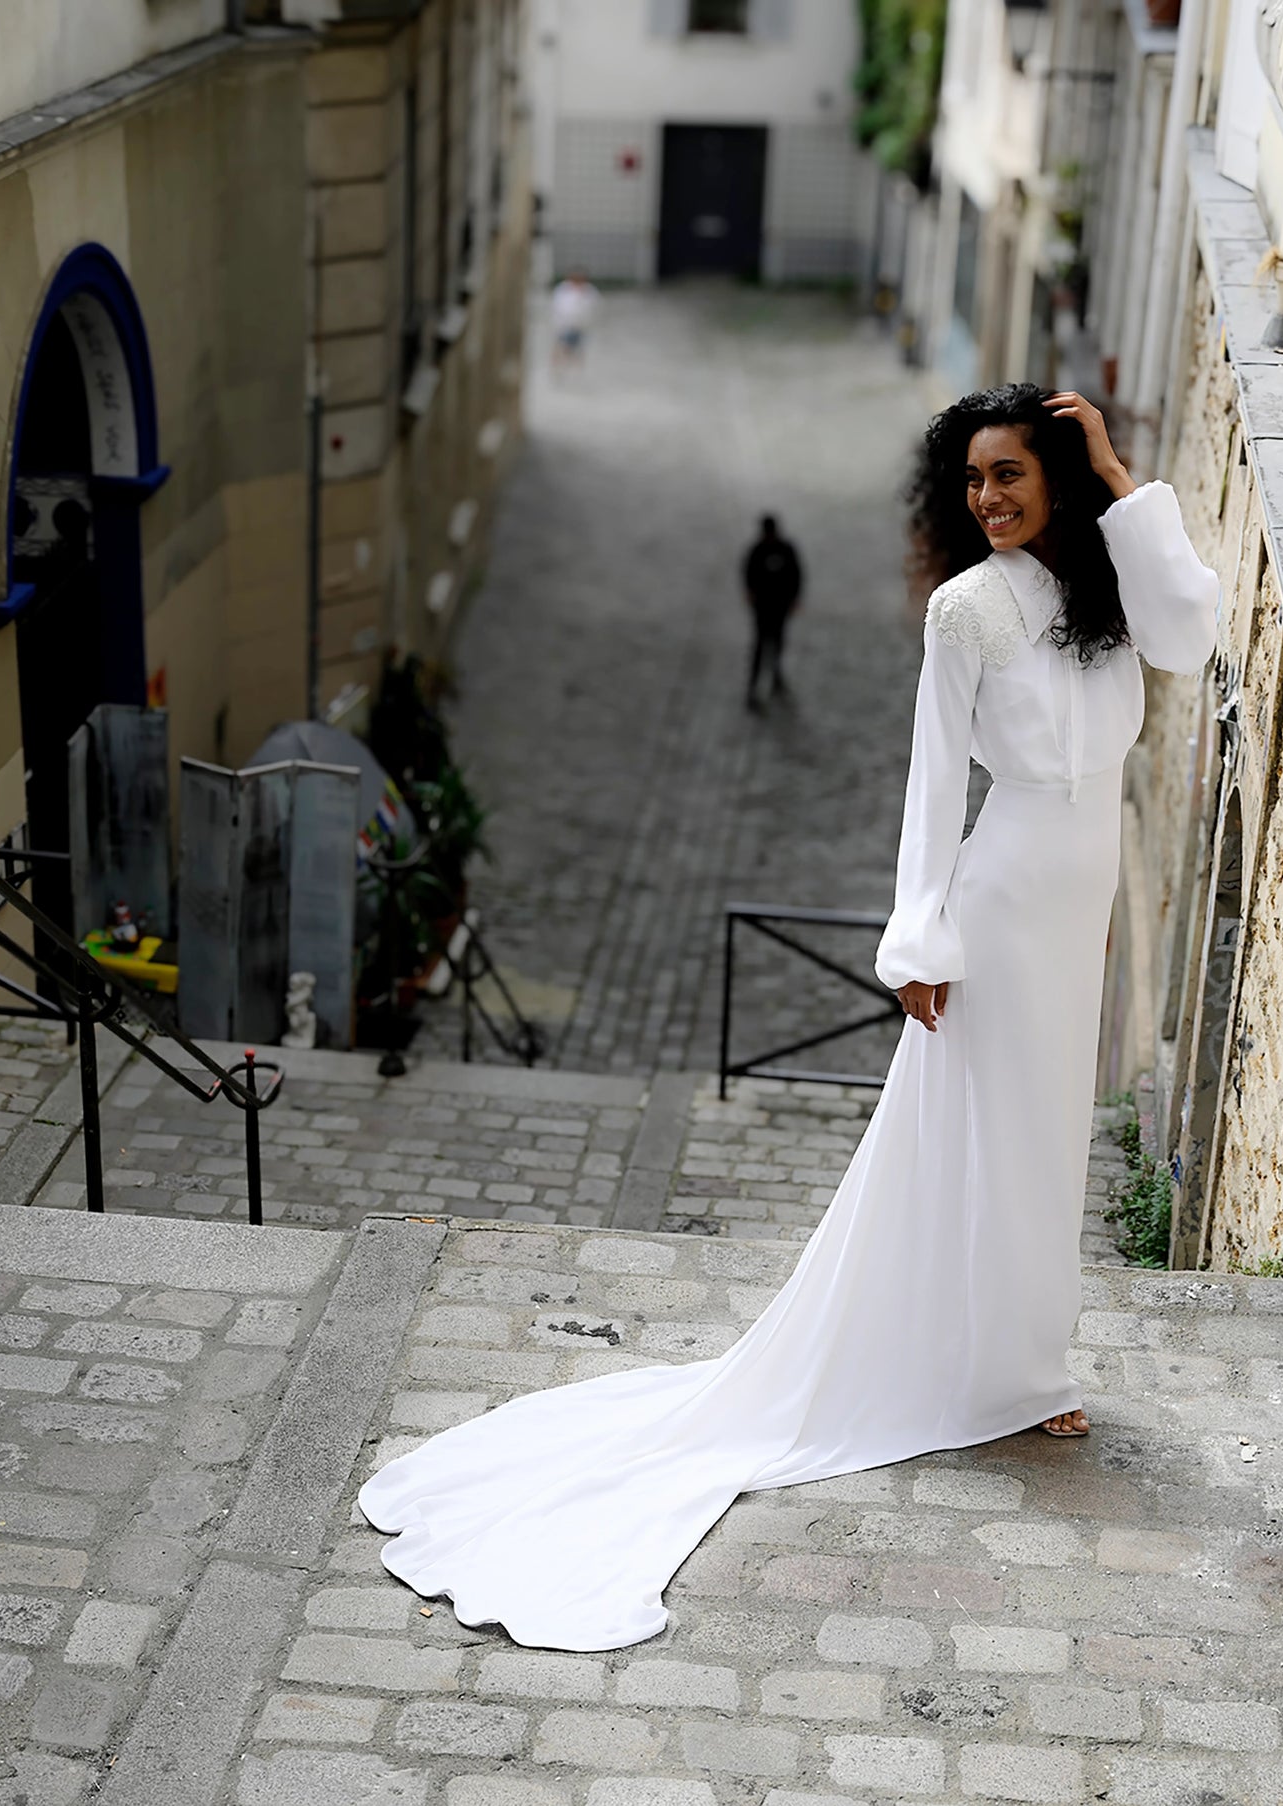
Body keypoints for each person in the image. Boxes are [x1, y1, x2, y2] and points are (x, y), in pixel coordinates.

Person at [355, 384, 1218, 1652]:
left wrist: (1113, 467)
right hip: (1002, 899)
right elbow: (931, 779)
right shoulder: (964, 609)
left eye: (1011, 474)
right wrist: (917, 937)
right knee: (973, 1138)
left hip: (1071, 900)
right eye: (971, 479)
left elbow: (1191, 636)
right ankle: (992, 1373)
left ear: (1056, 477)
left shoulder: (1103, 586)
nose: (986, 498)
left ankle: (1022, 1374)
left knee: (1043, 1146)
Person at [743, 513, 803, 707]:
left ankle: (776, 676)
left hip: (779, 606)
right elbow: (748, 574)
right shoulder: (757, 551)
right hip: (763, 608)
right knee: (761, 646)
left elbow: (796, 574)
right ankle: (753, 688)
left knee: (777, 643)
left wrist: (794, 599)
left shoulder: (785, 550)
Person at [550, 268, 599, 370]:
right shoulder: (562, 289)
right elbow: (557, 308)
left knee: (578, 351)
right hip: (564, 326)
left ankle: (576, 373)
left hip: (581, 327)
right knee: (561, 349)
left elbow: (594, 309)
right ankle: (558, 370)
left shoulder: (590, 291)